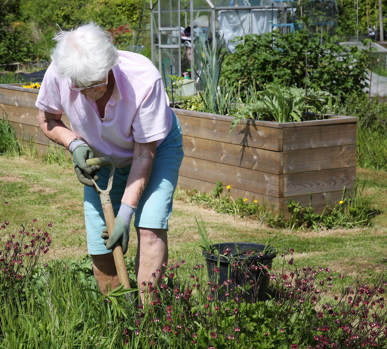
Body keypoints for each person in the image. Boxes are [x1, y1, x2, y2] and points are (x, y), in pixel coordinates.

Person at [35, 23, 184, 300]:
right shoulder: (61, 72)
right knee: (101, 244)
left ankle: (148, 321)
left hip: (155, 148)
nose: (90, 93)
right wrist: (75, 144)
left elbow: (144, 154)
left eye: (96, 85)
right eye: (81, 88)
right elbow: (47, 120)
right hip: (100, 156)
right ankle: (120, 320)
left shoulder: (142, 78)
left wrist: (126, 215)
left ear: (110, 66)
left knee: (150, 227)